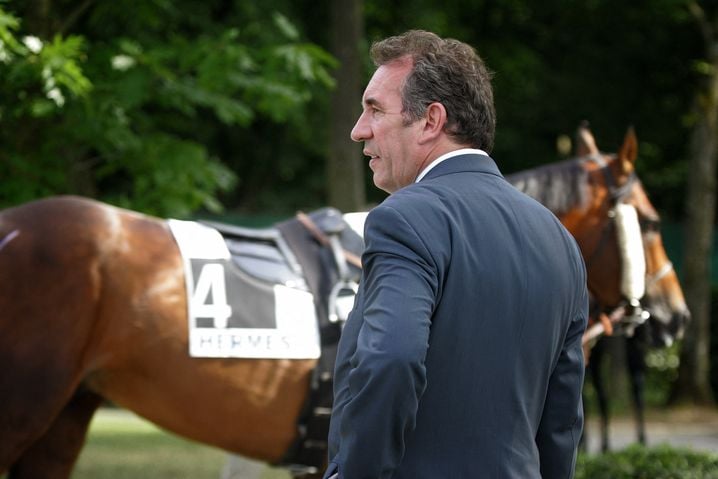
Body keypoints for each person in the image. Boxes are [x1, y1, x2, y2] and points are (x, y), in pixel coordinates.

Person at [323, 30, 588, 479]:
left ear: (431, 120)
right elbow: (562, 419)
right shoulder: (559, 239)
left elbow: (392, 359)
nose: (357, 129)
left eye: (374, 109)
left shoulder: (403, 217)